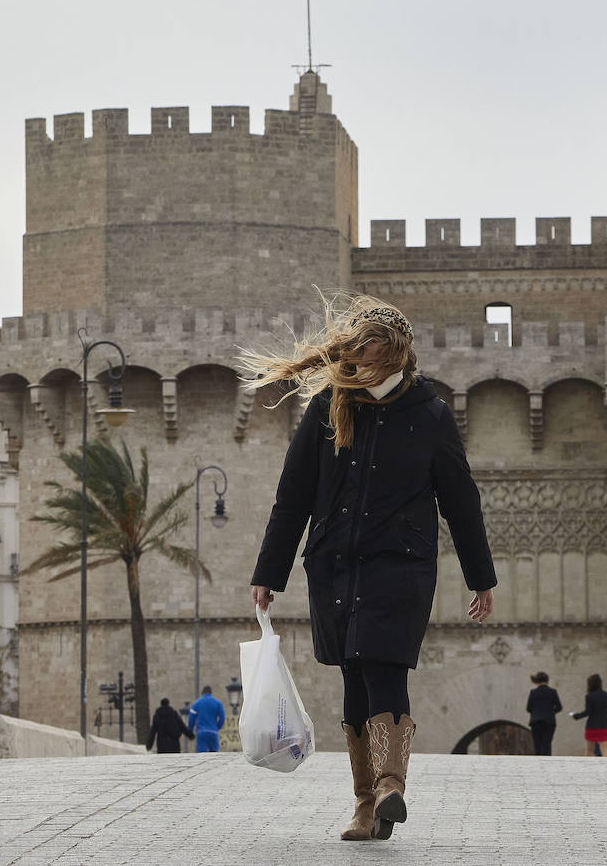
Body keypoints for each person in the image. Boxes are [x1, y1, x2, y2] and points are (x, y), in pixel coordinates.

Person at [245, 293, 497, 842]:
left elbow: (460, 499)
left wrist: (481, 577)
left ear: (397, 355)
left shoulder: (429, 417)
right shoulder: (327, 409)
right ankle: (368, 801)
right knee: (354, 672)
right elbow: (293, 498)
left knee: (384, 664)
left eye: (371, 353)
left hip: (400, 568)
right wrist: (270, 572)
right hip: (333, 564)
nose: (359, 363)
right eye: (355, 352)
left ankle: (387, 784)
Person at [570, 673, 607, 756]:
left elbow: (588, 712)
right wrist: (606, 719)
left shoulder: (589, 696)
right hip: (605, 726)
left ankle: (590, 768)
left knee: (589, 751)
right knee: (605, 750)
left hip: (592, 727)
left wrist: (576, 716)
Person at [526, 671, 562, 756]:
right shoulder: (552, 692)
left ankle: (539, 763)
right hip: (549, 721)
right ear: (547, 680)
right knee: (547, 744)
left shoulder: (533, 692)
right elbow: (559, 707)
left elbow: (528, 708)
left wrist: (536, 712)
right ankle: (547, 762)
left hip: (536, 721)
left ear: (537, 681)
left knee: (537, 745)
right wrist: (551, 712)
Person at [188, 685, 225, 753]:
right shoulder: (218, 703)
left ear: (202, 693)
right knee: (214, 755)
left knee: (201, 755)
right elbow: (222, 717)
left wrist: (190, 731)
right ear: (211, 692)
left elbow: (191, 719)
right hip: (213, 732)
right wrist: (217, 727)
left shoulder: (197, 703)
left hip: (201, 732)